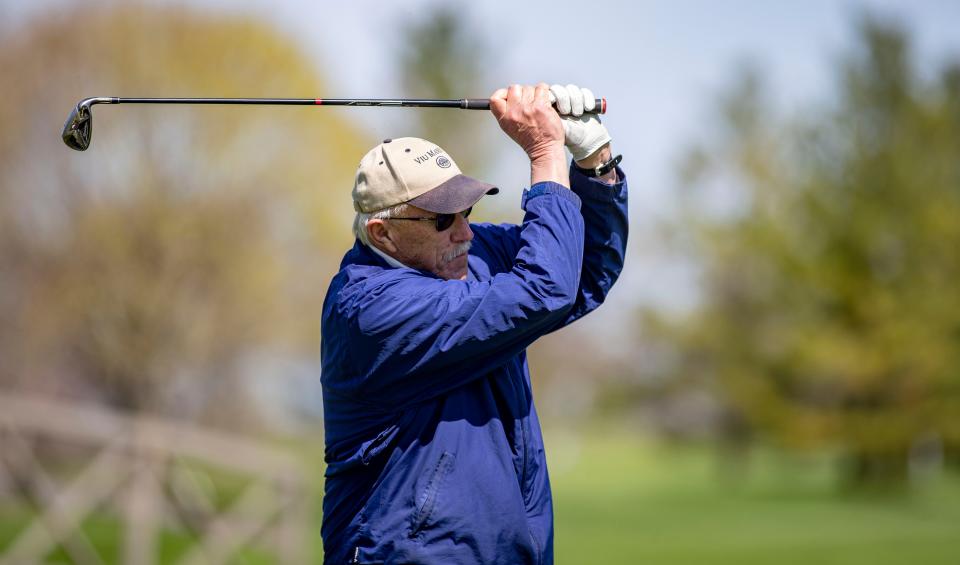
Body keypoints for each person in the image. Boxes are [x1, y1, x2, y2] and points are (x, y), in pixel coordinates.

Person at [320, 83, 628, 564]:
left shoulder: (462, 254)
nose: (465, 231)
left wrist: (594, 161)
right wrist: (545, 151)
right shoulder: (369, 310)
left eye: (465, 210)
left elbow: (582, 268)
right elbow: (544, 289)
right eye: (443, 220)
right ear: (383, 233)